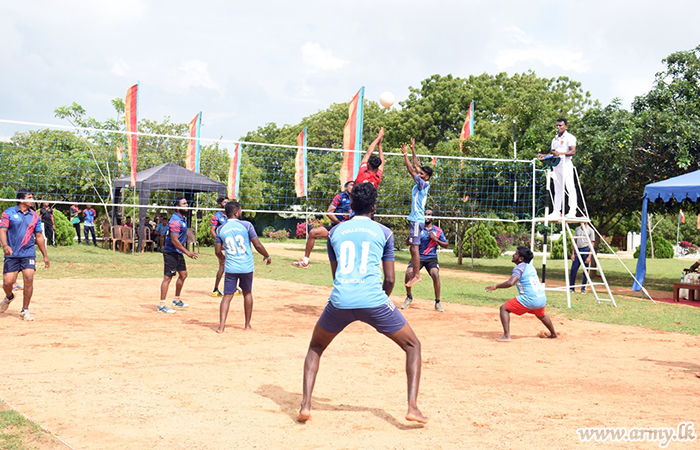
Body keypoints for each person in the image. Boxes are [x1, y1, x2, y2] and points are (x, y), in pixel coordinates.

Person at [297, 183, 427, 424]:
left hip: (340, 300)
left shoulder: (335, 232)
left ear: (351, 206)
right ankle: (412, 407)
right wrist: (378, 305)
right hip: (374, 300)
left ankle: (305, 406)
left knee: (315, 348)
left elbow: (336, 277)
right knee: (413, 345)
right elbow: (389, 279)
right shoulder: (384, 232)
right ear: (374, 207)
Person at [214, 201, 271, 332]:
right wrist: (267, 256)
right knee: (247, 293)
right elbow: (258, 245)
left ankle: (221, 326)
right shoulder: (247, 225)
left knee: (227, 296)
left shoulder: (220, 229)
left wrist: (223, 259)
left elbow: (217, 251)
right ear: (236, 212)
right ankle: (247, 325)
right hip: (246, 267)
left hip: (231, 267)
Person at [485, 246, 558, 342]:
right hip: (541, 298)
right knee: (541, 315)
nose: (513, 255)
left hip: (530, 299)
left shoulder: (519, 268)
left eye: (515, 254)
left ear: (521, 259)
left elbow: (510, 283)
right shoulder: (531, 267)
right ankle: (553, 334)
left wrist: (496, 286)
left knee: (504, 309)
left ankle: (506, 336)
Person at [0, 189, 50, 321]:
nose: (32, 200)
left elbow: (39, 236)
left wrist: (45, 255)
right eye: (30, 197)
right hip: (12, 253)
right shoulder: (8, 213)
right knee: (7, 282)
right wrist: (5, 245)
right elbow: (3, 231)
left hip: (28, 253)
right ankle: (9, 296)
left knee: (29, 278)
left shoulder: (34, 216)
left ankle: (25, 310)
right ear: (22, 200)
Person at [292, 181, 354, 268]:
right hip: (337, 226)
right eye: (351, 185)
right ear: (345, 187)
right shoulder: (340, 197)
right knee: (313, 233)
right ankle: (305, 261)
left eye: (355, 184)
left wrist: (351, 214)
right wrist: (340, 223)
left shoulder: (358, 198)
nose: (354, 186)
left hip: (351, 228)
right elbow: (329, 213)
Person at [401, 210, 449, 312]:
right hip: (418, 256)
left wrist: (435, 239)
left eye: (429, 214)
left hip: (431, 257)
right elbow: (406, 243)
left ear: (433, 217)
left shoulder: (438, 230)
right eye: (425, 214)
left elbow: (446, 245)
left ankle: (437, 302)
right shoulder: (417, 229)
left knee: (435, 274)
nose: (427, 216)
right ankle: (409, 297)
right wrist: (410, 237)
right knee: (409, 273)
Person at [401, 138, 433, 288]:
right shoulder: (423, 181)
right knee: (412, 247)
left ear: (426, 177)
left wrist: (405, 154)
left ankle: (417, 275)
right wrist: (413, 149)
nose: (419, 174)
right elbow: (416, 166)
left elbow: (411, 169)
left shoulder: (422, 184)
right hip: (416, 219)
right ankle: (416, 274)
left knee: (414, 247)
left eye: (422, 173)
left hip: (417, 219)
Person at [158, 197, 199, 314]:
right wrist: (188, 252)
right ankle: (162, 305)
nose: (187, 205)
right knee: (167, 278)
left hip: (178, 252)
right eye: (184, 204)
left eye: (186, 203)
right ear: (177, 206)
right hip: (171, 252)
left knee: (183, 274)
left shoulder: (182, 219)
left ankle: (176, 300)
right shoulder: (175, 221)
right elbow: (175, 240)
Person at [538, 118, 578, 219]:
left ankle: (572, 211)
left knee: (570, 188)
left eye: (560, 125)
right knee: (557, 189)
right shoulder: (555, 139)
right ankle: (556, 211)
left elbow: (572, 151)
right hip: (556, 165)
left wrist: (560, 153)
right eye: (557, 125)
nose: (558, 127)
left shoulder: (570, 137)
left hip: (566, 164)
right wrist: (543, 155)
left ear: (566, 127)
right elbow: (552, 153)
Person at [210, 197, 229, 297]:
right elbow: (212, 230)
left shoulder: (231, 216)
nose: (227, 204)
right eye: (224, 202)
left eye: (227, 202)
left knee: (232, 266)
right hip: (222, 245)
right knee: (222, 266)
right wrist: (219, 241)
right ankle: (216, 289)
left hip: (231, 245)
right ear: (220, 204)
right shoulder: (217, 216)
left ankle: (232, 288)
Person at [570, 221, 595, 294]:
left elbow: (592, 243)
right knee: (573, 270)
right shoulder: (577, 229)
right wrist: (573, 253)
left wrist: (589, 256)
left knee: (586, 271)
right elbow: (575, 241)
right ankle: (571, 288)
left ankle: (583, 288)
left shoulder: (590, 230)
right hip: (577, 250)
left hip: (586, 250)